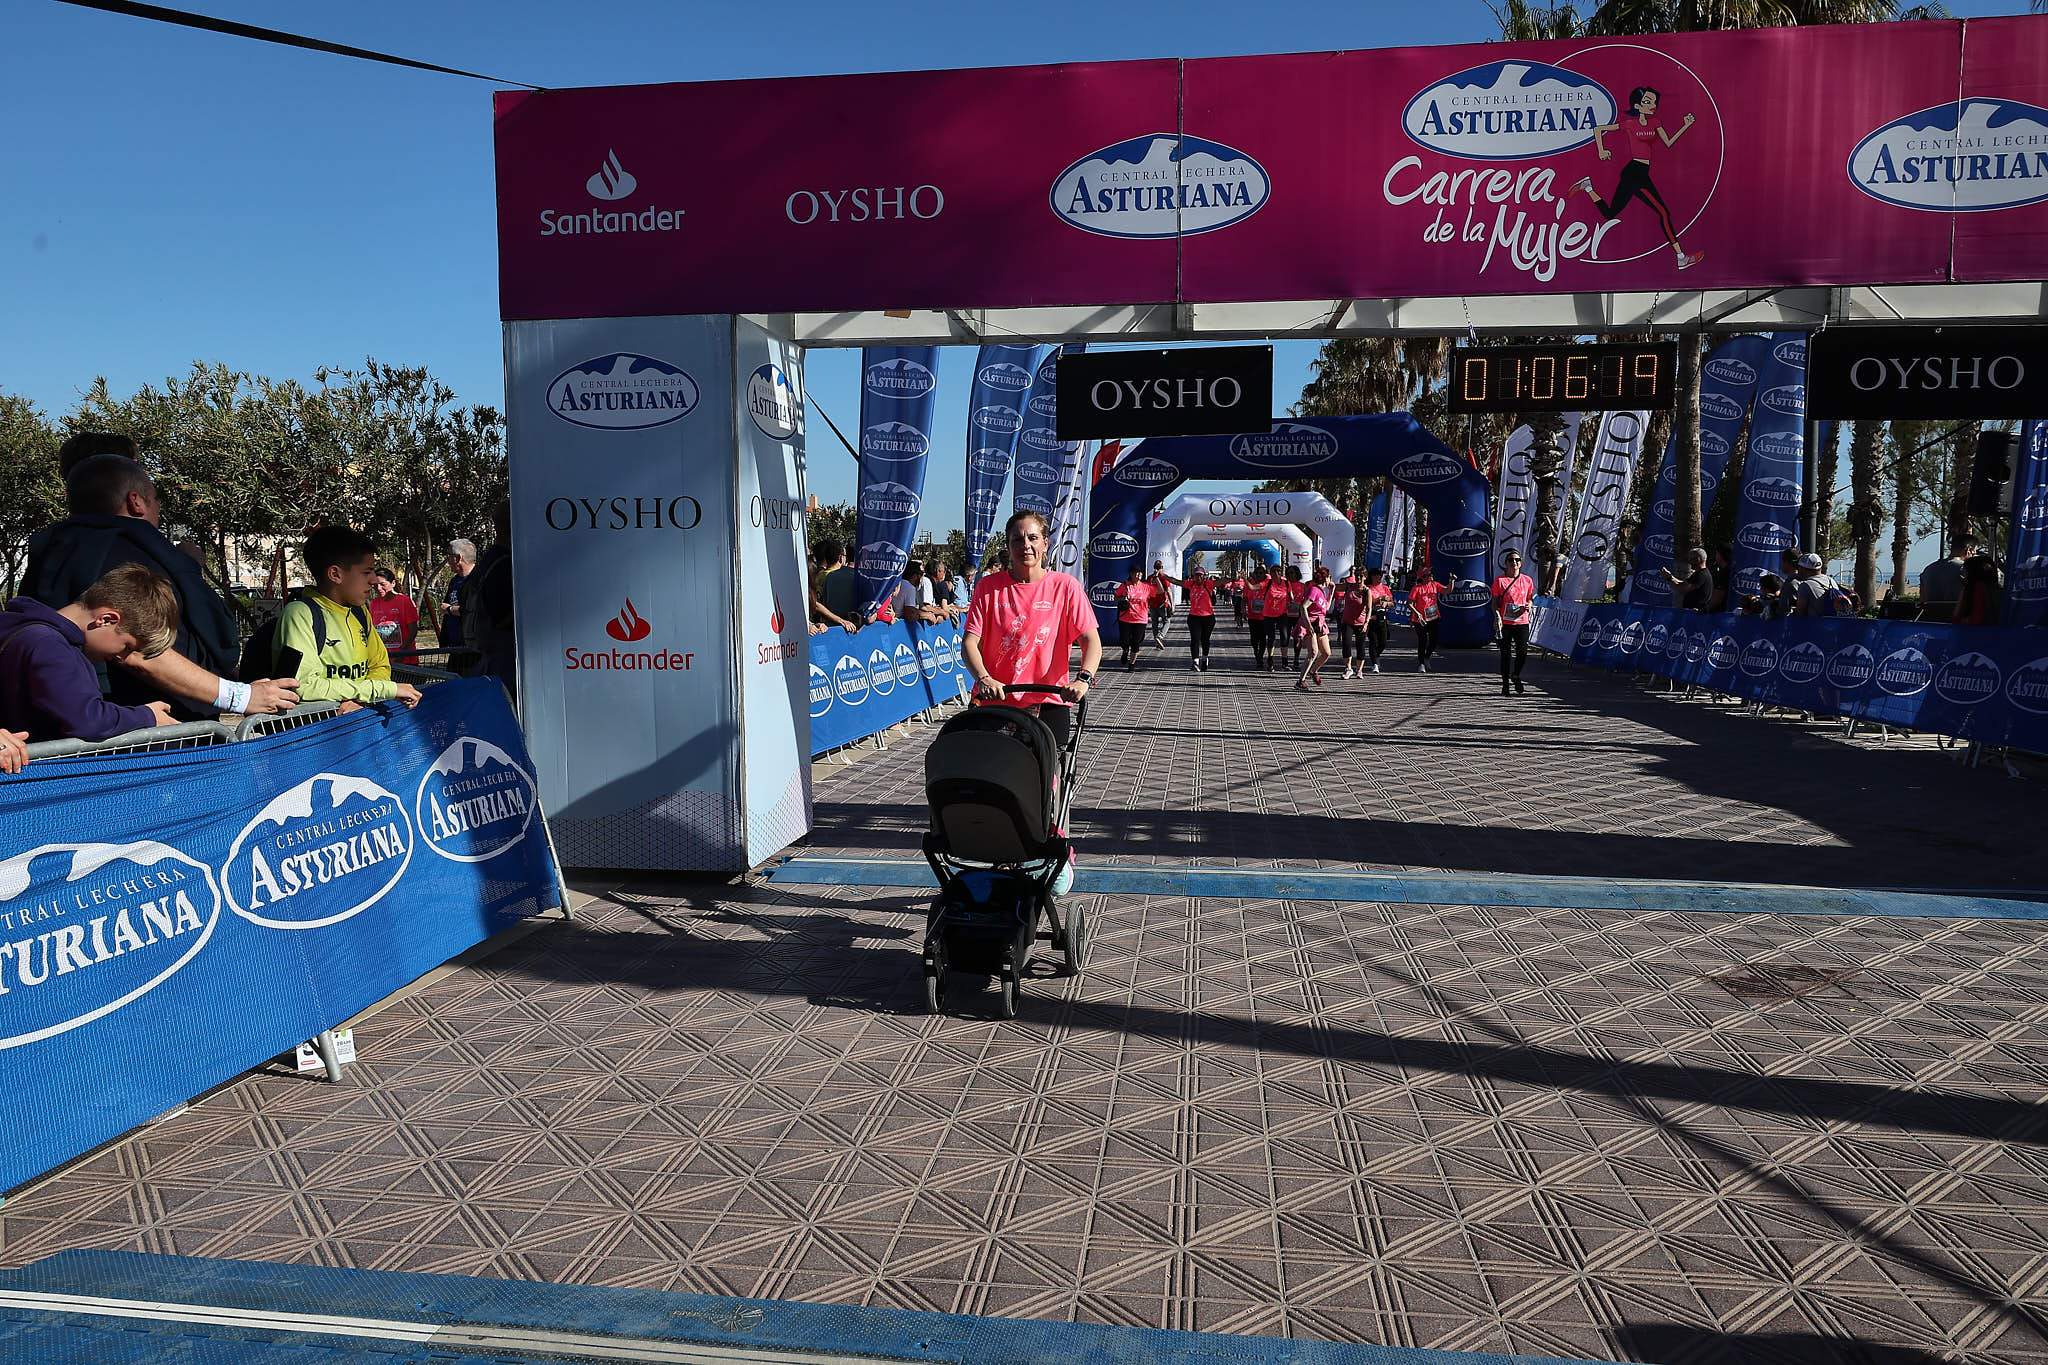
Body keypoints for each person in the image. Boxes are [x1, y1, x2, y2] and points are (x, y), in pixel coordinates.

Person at [23, 451, 297, 720]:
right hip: (149, 724)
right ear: (136, 502)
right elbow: (136, 650)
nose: (158, 510)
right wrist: (239, 696)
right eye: (154, 500)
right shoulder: (119, 556)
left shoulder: (53, 552)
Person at [961, 510, 1100, 756]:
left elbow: (1091, 641)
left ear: (1045, 543)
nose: (1026, 545)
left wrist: (1083, 679)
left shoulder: (1065, 587)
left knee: (1045, 779)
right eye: (1017, 539)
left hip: (1048, 702)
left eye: (1033, 538)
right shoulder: (988, 588)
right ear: (1008, 545)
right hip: (997, 700)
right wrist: (984, 678)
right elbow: (970, 643)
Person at [0, 564, 180, 741]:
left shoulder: (24, 630)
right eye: (127, 647)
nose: (124, 657)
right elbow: (86, 720)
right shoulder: (50, 646)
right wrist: (147, 716)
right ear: (106, 619)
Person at [269, 527, 423, 709]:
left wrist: (360, 699)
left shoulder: (360, 612)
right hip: (318, 730)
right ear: (335, 574)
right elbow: (303, 685)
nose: (374, 580)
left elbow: (380, 665)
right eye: (367, 572)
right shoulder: (299, 614)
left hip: (355, 724)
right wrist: (382, 689)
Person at [1570, 85, 1705, 271]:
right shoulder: (1630, 124)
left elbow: (1669, 142)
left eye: (1654, 102)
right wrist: (1601, 150)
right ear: (1637, 105)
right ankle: (1681, 257)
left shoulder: (1655, 122)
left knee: (1610, 214)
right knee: (1664, 213)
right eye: (1647, 102)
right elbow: (1599, 129)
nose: (1653, 105)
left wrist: (1686, 125)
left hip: (1640, 173)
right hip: (1634, 173)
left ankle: (1588, 187)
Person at [466, 502, 517, 699]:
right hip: (504, 661)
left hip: (491, 655)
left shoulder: (490, 561)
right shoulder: (503, 564)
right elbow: (501, 616)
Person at [1491, 549, 1537, 697]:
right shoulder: (1500, 581)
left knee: (1522, 652)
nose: (1514, 563)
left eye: (1517, 560)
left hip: (1522, 621)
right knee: (1506, 655)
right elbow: (1495, 603)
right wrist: (1497, 615)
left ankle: (1515, 675)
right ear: (1506, 564)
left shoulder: (1527, 580)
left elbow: (1530, 597)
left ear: (1520, 563)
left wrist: (1530, 604)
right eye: (1511, 560)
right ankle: (1505, 685)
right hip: (1505, 623)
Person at [369, 566, 420, 665]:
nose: (378, 588)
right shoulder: (373, 604)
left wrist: (402, 652)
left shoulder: (404, 601)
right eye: (375, 585)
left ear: (393, 583)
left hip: (405, 661)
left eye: (382, 584)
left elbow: (413, 631)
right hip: (383, 661)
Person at [809, 538, 862, 633]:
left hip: (830, 626)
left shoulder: (823, 576)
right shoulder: (828, 576)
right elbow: (817, 603)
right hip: (835, 626)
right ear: (841, 557)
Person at [1919, 536, 1975, 623]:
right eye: (1974, 553)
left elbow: (1922, 600)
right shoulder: (1967, 569)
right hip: (1958, 622)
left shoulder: (1928, 569)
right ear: (1968, 550)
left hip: (1931, 621)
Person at [1296, 565, 1333, 691]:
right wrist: (1308, 625)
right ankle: (1300, 681)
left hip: (1320, 625)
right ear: (1325, 578)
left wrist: (1332, 591)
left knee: (1326, 653)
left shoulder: (1323, 592)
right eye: (1329, 577)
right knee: (1313, 653)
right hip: (1310, 624)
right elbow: (1303, 607)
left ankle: (1313, 671)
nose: (1330, 580)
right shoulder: (1314, 590)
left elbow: (1326, 608)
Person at [1112, 566, 1154, 671]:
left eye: (1140, 573)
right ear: (1131, 574)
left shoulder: (1146, 586)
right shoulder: (1125, 585)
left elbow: (1160, 591)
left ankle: (1132, 664)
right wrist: (1123, 598)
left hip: (1141, 619)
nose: (1138, 575)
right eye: (1136, 573)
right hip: (1125, 618)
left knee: (1136, 642)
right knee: (1124, 641)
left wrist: (1157, 577)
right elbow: (1115, 597)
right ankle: (1125, 650)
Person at [439, 539, 476, 652]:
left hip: (473, 648)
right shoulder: (455, 581)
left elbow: (476, 610)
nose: (447, 560)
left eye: (449, 556)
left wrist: (450, 609)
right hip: (455, 647)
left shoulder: (479, 579)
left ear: (458, 558)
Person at [1182, 564, 1218, 672]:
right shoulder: (1190, 584)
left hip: (1208, 617)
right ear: (1193, 576)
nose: (1198, 577)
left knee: (1205, 640)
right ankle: (1195, 662)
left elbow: (1221, 582)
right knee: (1195, 639)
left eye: (1200, 575)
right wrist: (1163, 575)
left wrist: (1235, 578)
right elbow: (1176, 581)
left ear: (1204, 576)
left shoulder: (1208, 584)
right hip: (1194, 617)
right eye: (1196, 575)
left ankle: (1205, 658)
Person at [891, 560, 948, 626]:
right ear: (915, 575)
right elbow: (910, 614)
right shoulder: (910, 587)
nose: (923, 578)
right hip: (899, 626)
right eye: (921, 574)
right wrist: (927, 615)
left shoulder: (898, 583)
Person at [1408, 565, 1442, 672]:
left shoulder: (1435, 585)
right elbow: (1410, 603)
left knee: (1434, 641)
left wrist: (1452, 581)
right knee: (1422, 641)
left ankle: (1427, 657)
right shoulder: (1417, 588)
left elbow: (1447, 590)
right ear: (1423, 577)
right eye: (1428, 575)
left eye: (1431, 575)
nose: (1430, 577)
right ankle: (1421, 663)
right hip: (1420, 619)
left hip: (1433, 617)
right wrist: (1417, 613)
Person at [1954, 553, 2002, 626]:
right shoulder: (1997, 590)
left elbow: (1958, 619)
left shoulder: (1976, 588)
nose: (1963, 575)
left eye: (1965, 571)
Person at [1337, 571, 1368, 679]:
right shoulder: (1349, 586)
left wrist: (1366, 623)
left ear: (1365, 577)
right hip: (1347, 621)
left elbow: (1369, 608)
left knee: (1360, 646)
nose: (1358, 578)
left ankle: (1359, 670)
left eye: (1361, 576)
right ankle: (1348, 668)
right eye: (1357, 575)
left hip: (1360, 622)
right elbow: (1335, 587)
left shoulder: (1366, 591)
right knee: (1346, 644)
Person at [1661, 547, 1713, 611]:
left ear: (1698, 559)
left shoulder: (1701, 575)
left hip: (1694, 615)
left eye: (1691, 559)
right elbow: (1684, 584)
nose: (1689, 561)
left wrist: (1669, 578)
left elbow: (1683, 589)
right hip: (1692, 613)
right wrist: (1670, 576)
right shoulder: (1700, 573)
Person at [1364, 569, 1394, 674]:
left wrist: (1387, 604)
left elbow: (1392, 603)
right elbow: (1367, 602)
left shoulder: (1385, 588)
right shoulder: (1368, 588)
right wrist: (1380, 599)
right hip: (1372, 616)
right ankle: (1375, 664)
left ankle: (1377, 656)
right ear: (1372, 576)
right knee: (1373, 641)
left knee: (1383, 641)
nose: (1379, 578)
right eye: (1377, 576)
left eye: (1381, 576)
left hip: (1382, 616)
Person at [1264, 569, 1294, 672]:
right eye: (1272, 573)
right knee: (1271, 638)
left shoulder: (1286, 582)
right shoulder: (1268, 583)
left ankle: (1285, 663)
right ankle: (1270, 661)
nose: (1273, 575)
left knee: (1285, 637)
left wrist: (1291, 602)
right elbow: (1254, 587)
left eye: (1275, 573)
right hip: (1269, 614)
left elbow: (1291, 596)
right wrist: (1246, 580)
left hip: (1282, 613)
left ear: (1280, 574)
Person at [1244, 564, 1271, 669]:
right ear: (1254, 574)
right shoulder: (1249, 584)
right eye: (1257, 573)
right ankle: (1256, 652)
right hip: (1252, 616)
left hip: (1264, 616)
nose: (1259, 575)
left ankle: (1260, 657)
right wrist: (1243, 610)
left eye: (1261, 573)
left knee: (1263, 638)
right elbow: (1245, 598)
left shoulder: (1267, 583)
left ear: (1265, 574)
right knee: (1254, 639)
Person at [1146, 560, 1176, 649]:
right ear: (1162, 568)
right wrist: (1172, 604)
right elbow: (1169, 592)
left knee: (1154, 624)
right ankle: (1160, 636)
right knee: (1167, 621)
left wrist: (1146, 605)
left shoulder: (1149, 578)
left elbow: (1146, 592)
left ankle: (1157, 641)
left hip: (1152, 604)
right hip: (1162, 604)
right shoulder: (1163, 577)